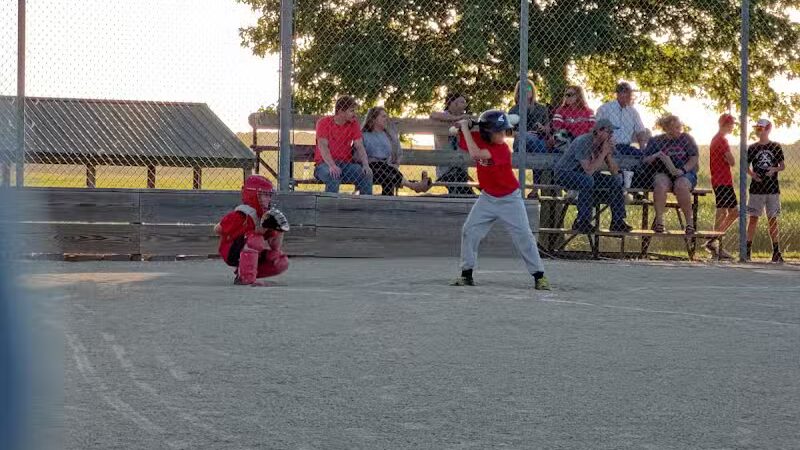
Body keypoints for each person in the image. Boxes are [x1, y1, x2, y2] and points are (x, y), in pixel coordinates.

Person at [450, 110, 550, 290]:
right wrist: (464, 126)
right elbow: (462, 139)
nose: (503, 134)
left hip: (509, 199)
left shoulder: (503, 149)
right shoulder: (479, 138)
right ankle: (466, 274)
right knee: (469, 230)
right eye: (499, 131)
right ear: (486, 132)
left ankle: (539, 276)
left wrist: (465, 128)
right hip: (487, 197)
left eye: (504, 130)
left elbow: (475, 154)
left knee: (524, 235)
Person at [554, 118, 633, 233]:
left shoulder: (603, 144)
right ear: (599, 131)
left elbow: (615, 171)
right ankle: (582, 221)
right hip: (565, 173)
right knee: (588, 180)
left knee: (615, 180)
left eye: (612, 132)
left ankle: (617, 221)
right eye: (609, 132)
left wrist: (608, 154)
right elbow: (589, 170)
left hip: (583, 174)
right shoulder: (584, 141)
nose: (611, 135)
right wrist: (603, 152)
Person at [214, 175, 290, 286]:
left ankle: (244, 272)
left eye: (269, 195)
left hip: (252, 253)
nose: (268, 199)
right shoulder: (241, 215)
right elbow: (217, 229)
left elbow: (275, 247)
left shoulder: (266, 215)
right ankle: (246, 278)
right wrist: (242, 234)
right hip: (232, 251)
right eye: (265, 195)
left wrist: (280, 230)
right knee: (255, 239)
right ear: (252, 195)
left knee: (281, 262)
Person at [641, 115, 699, 234]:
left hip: (684, 172)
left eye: (680, 127)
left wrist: (682, 170)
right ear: (667, 128)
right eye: (676, 127)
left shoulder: (686, 138)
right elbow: (645, 160)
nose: (679, 130)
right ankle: (659, 222)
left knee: (681, 185)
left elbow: (694, 158)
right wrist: (656, 155)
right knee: (660, 185)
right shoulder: (656, 141)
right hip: (663, 172)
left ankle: (689, 223)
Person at [361, 107, 432, 195]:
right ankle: (414, 185)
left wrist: (395, 164)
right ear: (373, 119)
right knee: (386, 171)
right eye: (383, 116)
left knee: (388, 174)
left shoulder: (388, 135)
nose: (386, 119)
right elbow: (358, 155)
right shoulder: (364, 135)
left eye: (386, 116)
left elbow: (396, 153)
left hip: (387, 167)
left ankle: (389, 201)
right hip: (370, 168)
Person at [314, 95, 374, 194]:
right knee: (333, 175)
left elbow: (359, 145)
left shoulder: (353, 124)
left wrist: (366, 165)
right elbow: (323, 146)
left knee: (366, 174)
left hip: (345, 165)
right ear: (341, 111)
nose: (355, 114)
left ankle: (365, 203)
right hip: (324, 164)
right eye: (352, 111)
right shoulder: (323, 122)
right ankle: (330, 203)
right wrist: (332, 165)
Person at [745, 118, 785, 262]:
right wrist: (753, 175)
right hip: (757, 189)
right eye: (757, 128)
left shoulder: (775, 146)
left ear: (768, 129)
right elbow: (746, 166)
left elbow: (782, 166)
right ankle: (747, 251)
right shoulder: (752, 147)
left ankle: (776, 252)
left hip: (772, 189)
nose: (758, 131)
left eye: (761, 128)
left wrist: (773, 169)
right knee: (753, 219)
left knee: (772, 219)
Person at [706, 113, 738, 259]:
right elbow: (732, 161)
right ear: (725, 125)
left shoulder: (715, 139)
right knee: (731, 212)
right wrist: (730, 158)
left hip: (720, 180)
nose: (732, 127)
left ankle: (715, 243)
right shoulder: (721, 140)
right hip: (723, 181)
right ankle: (713, 241)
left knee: (725, 212)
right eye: (731, 124)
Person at [430, 92, 475, 195]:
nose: (465, 104)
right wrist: (457, 118)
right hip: (446, 168)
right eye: (462, 102)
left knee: (462, 190)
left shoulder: (465, 120)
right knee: (463, 191)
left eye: (465, 102)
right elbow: (433, 115)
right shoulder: (443, 117)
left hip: (461, 166)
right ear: (452, 103)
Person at [595, 82, 649, 155]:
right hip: (609, 146)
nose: (628, 95)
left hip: (626, 147)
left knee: (643, 155)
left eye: (629, 93)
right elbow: (597, 129)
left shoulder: (633, 112)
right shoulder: (605, 109)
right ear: (618, 94)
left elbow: (640, 130)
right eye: (624, 92)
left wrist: (642, 148)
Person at [508, 80, 552, 153]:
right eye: (522, 88)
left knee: (536, 141)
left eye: (528, 88)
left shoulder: (541, 108)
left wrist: (542, 128)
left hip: (538, 139)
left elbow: (548, 130)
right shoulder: (513, 110)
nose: (526, 90)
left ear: (532, 90)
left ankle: (540, 159)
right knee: (525, 139)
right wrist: (523, 134)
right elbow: (508, 132)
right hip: (520, 139)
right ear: (518, 93)